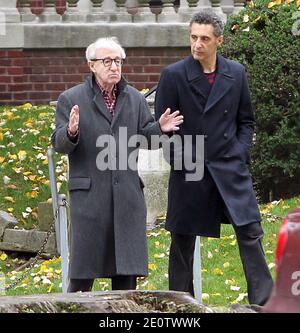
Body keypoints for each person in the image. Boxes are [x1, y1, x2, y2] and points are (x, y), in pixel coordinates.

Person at [154, 11, 273, 305]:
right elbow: (162, 128)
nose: (197, 44)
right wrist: (180, 161)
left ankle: (264, 302)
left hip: (230, 167)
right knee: (182, 240)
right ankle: (180, 304)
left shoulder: (236, 74)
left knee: (250, 231)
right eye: (193, 37)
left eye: (205, 38)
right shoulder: (174, 75)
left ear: (219, 40)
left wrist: (240, 153)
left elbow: (246, 122)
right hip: (190, 170)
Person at [51, 37, 183, 292]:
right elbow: (59, 144)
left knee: (126, 278)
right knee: (81, 279)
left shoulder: (134, 98)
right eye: (107, 61)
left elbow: (147, 139)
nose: (114, 66)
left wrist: (161, 129)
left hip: (126, 198)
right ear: (92, 65)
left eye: (118, 61)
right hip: (90, 198)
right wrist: (71, 131)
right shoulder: (71, 99)